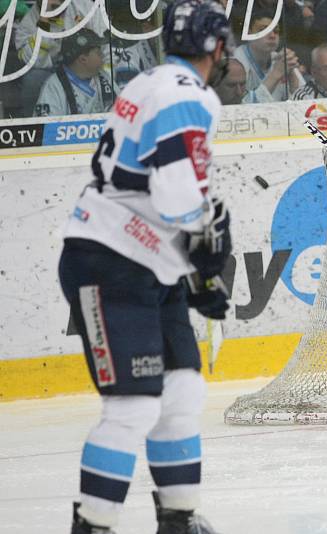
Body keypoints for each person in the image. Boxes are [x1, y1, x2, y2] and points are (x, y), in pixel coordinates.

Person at [59, 1, 233, 532]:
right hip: (110, 260)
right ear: (217, 47)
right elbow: (180, 198)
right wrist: (207, 251)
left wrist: (195, 261)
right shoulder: (187, 95)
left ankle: (178, 519)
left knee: (182, 391)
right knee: (134, 406)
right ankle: (92, 525)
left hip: (149, 258)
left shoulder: (150, 80)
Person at [33, 28, 114, 117]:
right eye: (98, 53)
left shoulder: (103, 76)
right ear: (83, 59)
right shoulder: (53, 86)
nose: (103, 55)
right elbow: (46, 127)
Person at [233, 10, 306, 103]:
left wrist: (293, 79)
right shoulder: (235, 62)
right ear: (248, 32)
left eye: (276, 31)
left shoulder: (282, 59)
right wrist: (276, 74)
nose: (272, 36)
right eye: (263, 30)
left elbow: (307, 105)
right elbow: (240, 110)